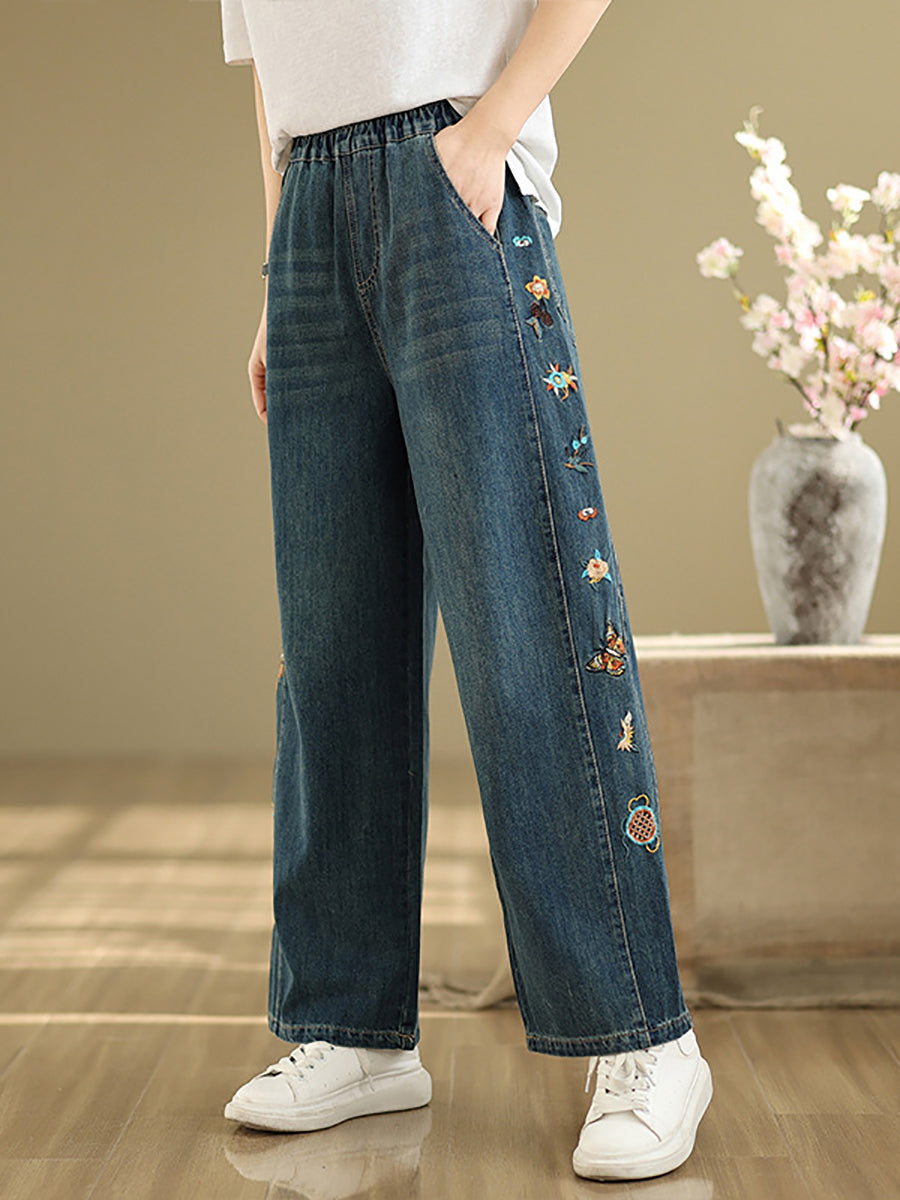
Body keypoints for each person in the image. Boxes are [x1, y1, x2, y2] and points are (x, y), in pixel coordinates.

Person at [217, 0, 713, 1182]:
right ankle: (353, 1027)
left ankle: (645, 1037)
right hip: (310, 207)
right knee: (333, 648)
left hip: (450, 171)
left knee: (525, 635)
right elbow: (271, 65)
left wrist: (491, 129)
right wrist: (281, 260)